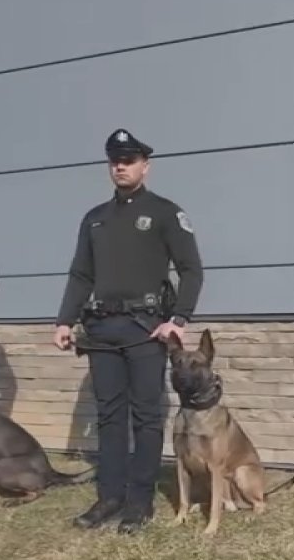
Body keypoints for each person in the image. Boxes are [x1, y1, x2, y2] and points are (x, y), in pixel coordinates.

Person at [53, 128, 204, 534]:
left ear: (145, 166)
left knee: (146, 416)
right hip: (102, 328)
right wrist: (65, 320)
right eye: (115, 161)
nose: (121, 166)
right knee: (109, 416)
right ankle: (110, 497)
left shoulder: (165, 213)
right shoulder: (95, 218)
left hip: (145, 329)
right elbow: (81, 274)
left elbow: (191, 270)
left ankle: (139, 502)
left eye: (129, 160)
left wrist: (179, 319)